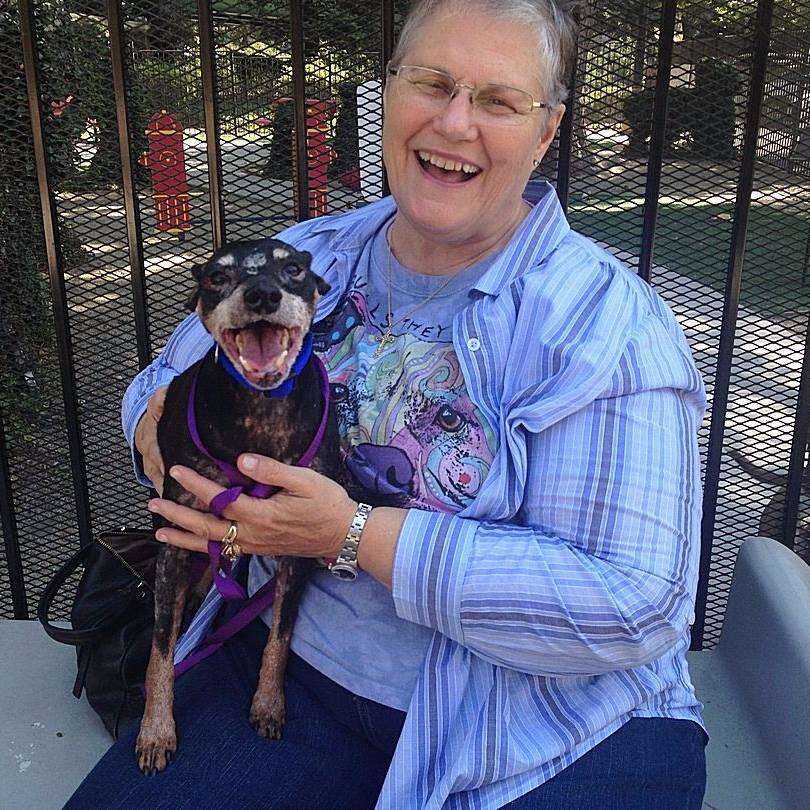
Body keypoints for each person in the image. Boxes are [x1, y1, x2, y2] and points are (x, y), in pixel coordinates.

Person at [68, 1, 708, 807]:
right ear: (387, 94)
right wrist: (165, 441)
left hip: (544, 720)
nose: (454, 122)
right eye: (432, 83)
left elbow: (634, 606)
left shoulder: (605, 325)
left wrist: (355, 537)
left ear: (547, 131)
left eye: (499, 101)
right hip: (297, 667)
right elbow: (153, 391)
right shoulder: (311, 256)